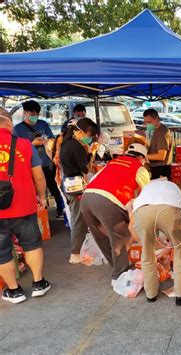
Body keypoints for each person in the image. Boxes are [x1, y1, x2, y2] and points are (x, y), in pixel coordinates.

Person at [0, 108, 51, 304]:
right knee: (32, 245)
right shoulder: (23, 144)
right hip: (24, 206)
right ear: (10, 124)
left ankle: (14, 291)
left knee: (2, 252)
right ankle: (38, 283)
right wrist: (41, 196)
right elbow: (38, 176)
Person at [80, 143, 150, 283]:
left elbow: (94, 180)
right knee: (121, 238)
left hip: (86, 199)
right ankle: (120, 277)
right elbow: (147, 194)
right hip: (107, 202)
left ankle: (118, 268)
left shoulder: (112, 163)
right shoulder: (139, 168)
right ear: (141, 158)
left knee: (103, 237)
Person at [130, 180, 181, 305]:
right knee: (180, 252)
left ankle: (151, 295)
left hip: (143, 211)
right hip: (170, 209)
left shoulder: (147, 188)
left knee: (147, 253)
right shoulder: (175, 188)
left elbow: (131, 225)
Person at [14, 100, 64, 220]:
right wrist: (32, 143)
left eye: (36, 114)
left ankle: (60, 211)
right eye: (32, 114)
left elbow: (52, 138)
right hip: (30, 165)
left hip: (47, 162)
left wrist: (48, 140)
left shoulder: (43, 124)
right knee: (35, 192)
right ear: (25, 112)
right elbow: (16, 150)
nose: (34, 116)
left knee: (54, 188)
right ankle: (40, 216)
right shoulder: (18, 129)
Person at [59, 118, 98, 264]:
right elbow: (86, 168)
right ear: (79, 131)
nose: (89, 137)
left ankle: (81, 250)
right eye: (89, 134)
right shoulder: (75, 146)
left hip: (69, 184)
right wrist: (91, 153)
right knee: (78, 220)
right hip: (75, 187)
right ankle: (75, 254)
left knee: (79, 218)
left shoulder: (67, 143)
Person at [143, 109, 173, 180]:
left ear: (156, 119)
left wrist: (144, 156)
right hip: (155, 168)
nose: (147, 124)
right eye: (145, 122)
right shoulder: (156, 131)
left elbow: (161, 156)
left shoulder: (162, 133)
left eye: (149, 122)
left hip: (160, 169)